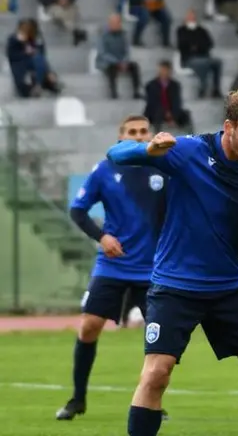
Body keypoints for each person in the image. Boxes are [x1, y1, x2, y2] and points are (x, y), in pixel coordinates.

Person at [106, 89, 238, 436]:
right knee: (156, 373)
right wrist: (148, 149)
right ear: (228, 127)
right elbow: (115, 153)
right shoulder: (188, 151)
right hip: (175, 286)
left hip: (229, 287)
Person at [56, 116, 168, 421]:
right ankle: (78, 399)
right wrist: (102, 236)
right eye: (131, 132)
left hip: (153, 269)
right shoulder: (105, 169)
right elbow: (78, 210)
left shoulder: (165, 168)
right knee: (89, 325)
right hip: (113, 265)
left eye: (143, 131)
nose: (137, 136)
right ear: (120, 139)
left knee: (161, 341)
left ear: (150, 135)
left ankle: (151, 402)